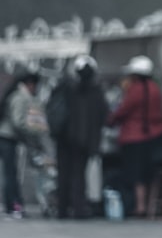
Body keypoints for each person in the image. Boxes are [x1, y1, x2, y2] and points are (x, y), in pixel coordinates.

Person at [106, 55, 162, 217]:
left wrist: (110, 120)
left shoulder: (135, 90)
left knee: (137, 174)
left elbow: (122, 111)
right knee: (148, 173)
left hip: (134, 138)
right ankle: (148, 206)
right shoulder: (155, 89)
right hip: (155, 137)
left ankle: (140, 206)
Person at [51, 55, 109, 219]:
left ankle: (62, 208)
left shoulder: (65, 87)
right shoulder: (96, 91)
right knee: (79, 174)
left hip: (64, 138)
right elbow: (104, 115)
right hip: (84, 140)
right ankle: (78, 208)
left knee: (63, 173)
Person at [0, 70, 47, 219]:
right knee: (11, 174)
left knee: (10, 174)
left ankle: (12, 205)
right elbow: (18, 121)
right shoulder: (20, 98)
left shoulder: (17, 95)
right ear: (29, 84)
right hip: (8, 138)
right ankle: (14, 206)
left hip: (7, 138)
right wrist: (33, 131)